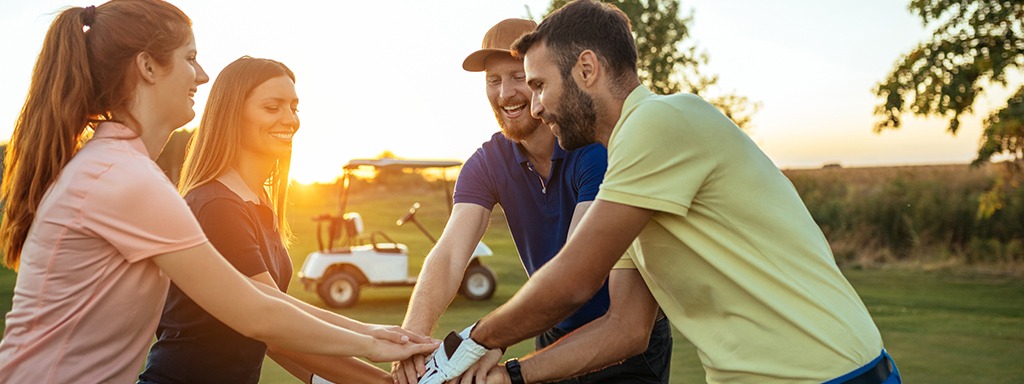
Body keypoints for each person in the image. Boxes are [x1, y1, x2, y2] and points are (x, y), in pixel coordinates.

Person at [423, 1, 903, 383]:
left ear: (586, 70)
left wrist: (469, 343)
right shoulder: (624, 172)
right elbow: (626, 327)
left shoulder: (661, 122)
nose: (536, 105)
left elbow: (573, 280)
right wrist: (513, 375)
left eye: (540, 85)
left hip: (830, 372)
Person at [0, 2, 436, 383]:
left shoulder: (123, 168)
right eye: (190, 58)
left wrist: (379, 335)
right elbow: (254, 313)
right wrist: (377, 346)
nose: (203, 75)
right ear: (148, 67)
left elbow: (263, 301)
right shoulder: (125, 177)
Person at [393, 18, 672, 384]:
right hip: (552, 332)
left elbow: (574, 277)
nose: (505, 93)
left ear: (548, 79)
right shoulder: (487, 162)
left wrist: (486, 338)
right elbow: (448, 255)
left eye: (519, 77)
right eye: (493, 80)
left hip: (620, 341)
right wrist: (411, 340)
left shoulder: (595, 151)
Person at [138, 56, 399, 384]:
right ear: (232, 115)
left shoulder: (257, 201)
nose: (290, 119)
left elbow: (276, 328)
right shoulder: (217, 207)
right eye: (272, 107)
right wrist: (383, 374)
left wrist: (334, 372)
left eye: (294, 107)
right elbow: (275, 331)